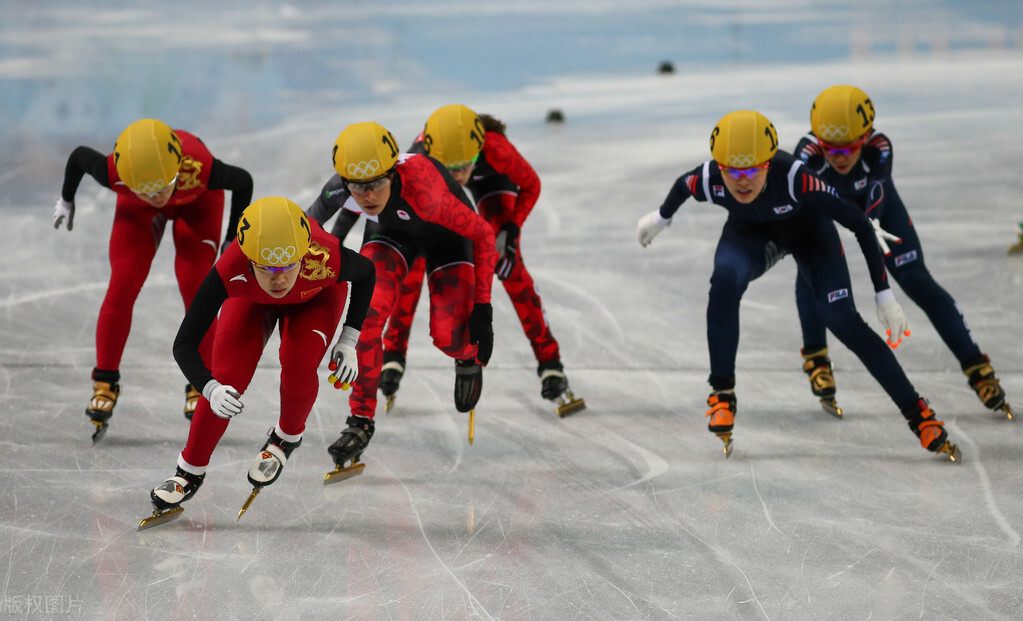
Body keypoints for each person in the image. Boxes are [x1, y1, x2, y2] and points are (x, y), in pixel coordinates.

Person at [636, 109, 962, 461]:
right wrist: (661, 218)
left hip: (809, 234)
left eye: (752, 170)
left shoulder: (798, 179)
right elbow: (683, 186)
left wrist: (883, 293)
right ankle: (722, 394)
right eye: (732, 171)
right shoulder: (710, 177)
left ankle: (918, 414)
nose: (741, 181)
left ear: (768, 165)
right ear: (720, 166)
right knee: (724, 283)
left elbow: (861, 225)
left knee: (842, 319)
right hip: (751, 236)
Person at [321, 104, 583, 416]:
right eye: (451, 166)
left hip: (490, 185)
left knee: (507, 265)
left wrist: (512, 229)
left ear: (479, 151)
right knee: (412, 264)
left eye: (466, 164)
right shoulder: (418, 159)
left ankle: (549, 361)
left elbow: (531, 185)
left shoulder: (495, 149)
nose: (458, 174)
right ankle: (394, 351)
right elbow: (367, 200)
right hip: (440, 197)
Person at [142, 197, 375, 527]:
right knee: (226, 377)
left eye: (288, 266)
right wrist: (209, 388)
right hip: (250, 299)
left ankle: (285, 439)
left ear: (303, 253)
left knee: (298, 362)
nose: (279, 280)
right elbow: (184, 343)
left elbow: (366, 273)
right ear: (249, 261)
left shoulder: (323, 254)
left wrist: (349, 339)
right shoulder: (230, 265)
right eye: (269, 269)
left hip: (316, 297)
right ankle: (189, 471)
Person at [793, 85, 1012, 420]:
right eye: (829, 148)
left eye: (848, 147)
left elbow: (878, 187)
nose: (837, 156)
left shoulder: (879, 147)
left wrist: (872, 222)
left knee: (916, 279)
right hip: (827, 209)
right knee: (811, 273)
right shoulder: (807, 154)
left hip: (876, 209)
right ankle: (816, 357)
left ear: (865, 136)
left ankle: (977, 366)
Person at [307, 121, 497, 477]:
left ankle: (466, 357)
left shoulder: (426, 191)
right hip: (391, 234)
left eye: (377, 183)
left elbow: (484, 234)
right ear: (344, 182)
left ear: (392, 173)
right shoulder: (339, 188)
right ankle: (360, 419)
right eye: (358, 187)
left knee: (448, 337)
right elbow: (304, 231)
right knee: (366, 321)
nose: (369, 196)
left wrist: (483, 309)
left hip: (448, 238)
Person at [53, 118, 254, 440]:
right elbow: (78, 157)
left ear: (177, 171)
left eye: (163, 187)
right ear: (127, 181)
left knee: (197, 289)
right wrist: (66, 199)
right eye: (147, 191)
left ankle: (201, 381)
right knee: (123, 284)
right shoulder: (113, 172)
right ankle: (104, 379)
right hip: (136, 211)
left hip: (198, 203)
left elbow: (242, 182)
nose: (157, 197)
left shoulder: (201, 168)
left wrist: (232, 237)